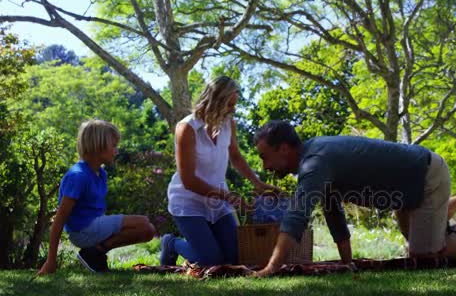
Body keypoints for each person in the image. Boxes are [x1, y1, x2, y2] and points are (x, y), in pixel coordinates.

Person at [251, 120, 456, 277]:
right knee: (419, 235)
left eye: (264, 157)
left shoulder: (314, 163)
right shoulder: (316, 157)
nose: (265, 166)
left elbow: (296, 216)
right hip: (410, 190)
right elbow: (333, 212)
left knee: (425, 257)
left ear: (283, 148)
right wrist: (348, 263)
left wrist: (271, 267)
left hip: (426, 178)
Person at [159, 76, 280, 267]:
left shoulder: (228, 123)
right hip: (189, 203)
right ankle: (171, 243)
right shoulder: (186, 128)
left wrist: (258, 183)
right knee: (210, 261)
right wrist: (231, 198)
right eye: (229, 105)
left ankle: (198, 246)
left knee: (235, 258)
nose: (233, 110)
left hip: (218, 202)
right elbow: (189, 180)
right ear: (215, 101)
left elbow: (236, 157)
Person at [37, 120, 156, 275]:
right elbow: (59, 220)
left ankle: (94, 253)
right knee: (143, 223)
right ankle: (93, 254)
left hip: (93, 226)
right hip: (82, 232)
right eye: (113, 146)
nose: (116, 151)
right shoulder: (78, 176)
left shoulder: (101, 174)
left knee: (148, 229)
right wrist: (50, 261)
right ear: (97, 146)